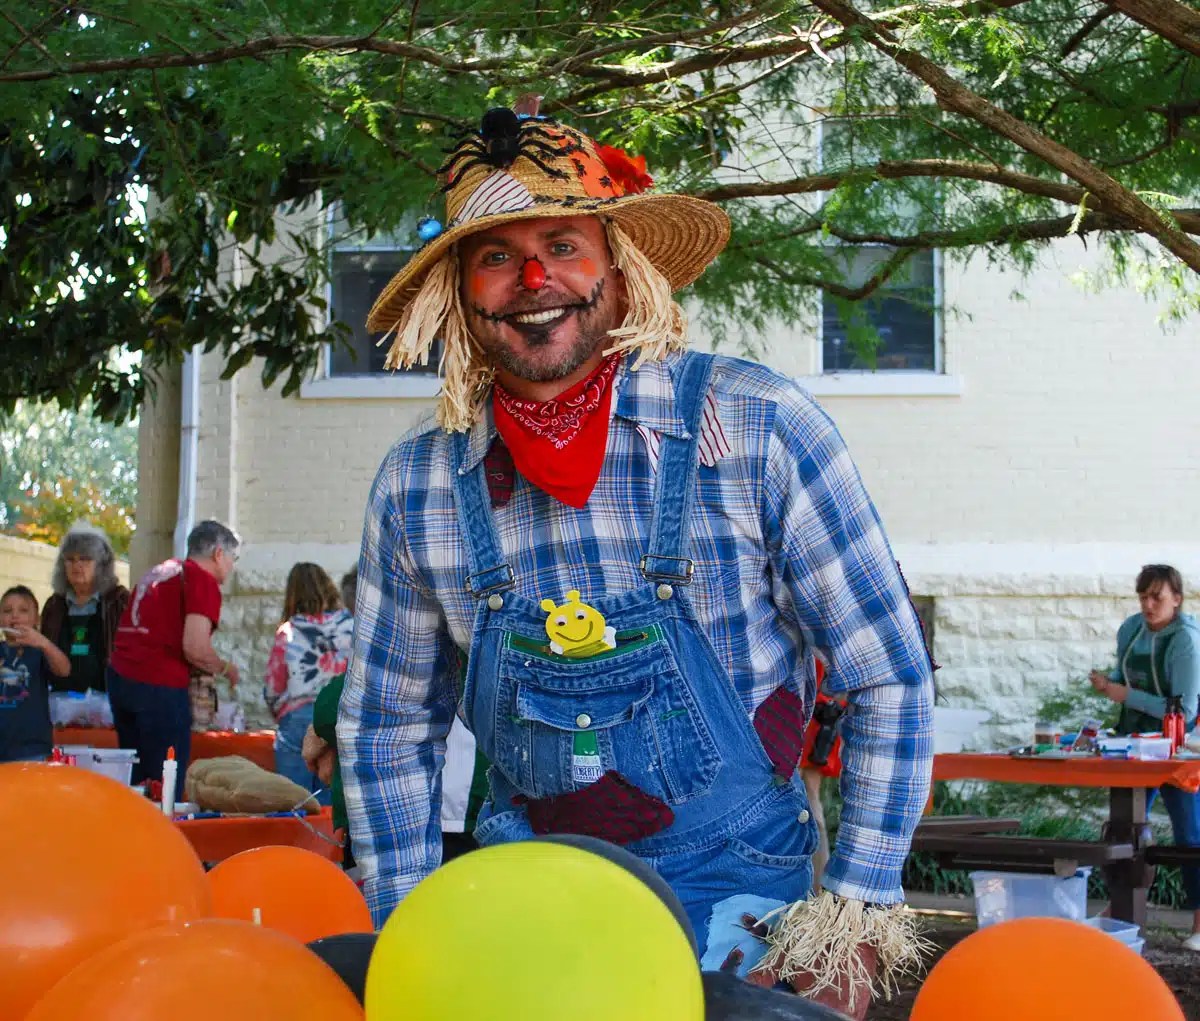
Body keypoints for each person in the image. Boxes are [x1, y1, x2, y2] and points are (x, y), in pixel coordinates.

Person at [338, 100, 933, 1015]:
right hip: (523, 916)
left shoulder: (758, 427)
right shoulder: (416, 486)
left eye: (563, 244)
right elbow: (385, 731)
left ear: (621, 268)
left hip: (741, 915)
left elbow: (888, 673)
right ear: (457, 291)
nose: (534, 278)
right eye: (497, 256)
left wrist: (852, 924)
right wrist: (413, 934)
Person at [1090, 563, 1200, 948]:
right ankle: (1119, 909)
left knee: (1189, 834)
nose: (1149, 604)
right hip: (1134, 745)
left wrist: (1125, 695)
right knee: (1124, 828)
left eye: (1157, 596)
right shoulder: (1131, 629)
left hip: (1177, 749)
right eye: (1143, 596)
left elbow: (1183, 713)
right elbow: (1125, 673)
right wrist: (1107, 682)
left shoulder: (1186, 640)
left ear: (1177, 599)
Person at [107, 520, 241, 784]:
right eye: (232, 558)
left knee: (136, 781)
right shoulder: (202, 580)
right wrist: (226, 668)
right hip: (158, 685)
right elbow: (195, 648)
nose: (232, 566)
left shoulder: (162, 571)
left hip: (121, 677)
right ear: (218, 554)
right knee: (165, 784)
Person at [264, 562, 353, 796]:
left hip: (298, 719)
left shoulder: (288, 631)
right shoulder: (350, 624)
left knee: (296, 803)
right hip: (340, 714)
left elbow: (273, 687)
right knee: (332, 806)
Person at [39, 522, 130, 695]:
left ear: (101, 565)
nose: (77, 565)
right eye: (70, 559)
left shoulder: (119, 601)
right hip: (60, 700)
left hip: (107, 700)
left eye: (85, 559)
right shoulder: (54, 605)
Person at [1, 586, 71, 762]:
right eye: (7, 611)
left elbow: (64, 670)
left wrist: (43, 642)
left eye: (23, 610)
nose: (14, 616)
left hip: (33, 749)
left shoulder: (40, 652)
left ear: (36, 620)